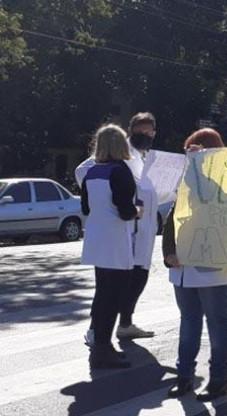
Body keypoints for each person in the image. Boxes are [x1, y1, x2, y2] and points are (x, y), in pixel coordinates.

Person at [77, 112, 170, 346]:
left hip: (144, 231)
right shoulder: (119, 156)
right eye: (141, 131)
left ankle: (125, 324)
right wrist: (108, 201)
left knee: (138, 279)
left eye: (150, 132)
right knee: (111, 287)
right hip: (124, 230)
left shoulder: (149, 158)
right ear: (131, 131)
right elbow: (86, 172)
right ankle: (96, 330)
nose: (146, 135)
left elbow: (154, 192)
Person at [163, 129, 227, 401]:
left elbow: (224, 212)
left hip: (212, 266)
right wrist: (169, 252)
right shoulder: (184, 181)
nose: (190, 157)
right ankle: (184, 377)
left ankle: (219, 380)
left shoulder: (226, 182)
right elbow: (172, 218)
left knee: (217, 323)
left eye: (196, 152)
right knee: (189, 321)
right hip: (183, 267)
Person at [80, 124, 141, 369]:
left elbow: (85, 208)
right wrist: (138, 211)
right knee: (114, 296)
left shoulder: (92, 172)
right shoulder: (121, 171)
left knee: (102, 293)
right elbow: (125, 211)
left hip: (96, 238)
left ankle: (99, 343)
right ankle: (104, 348)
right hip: (115, 240)